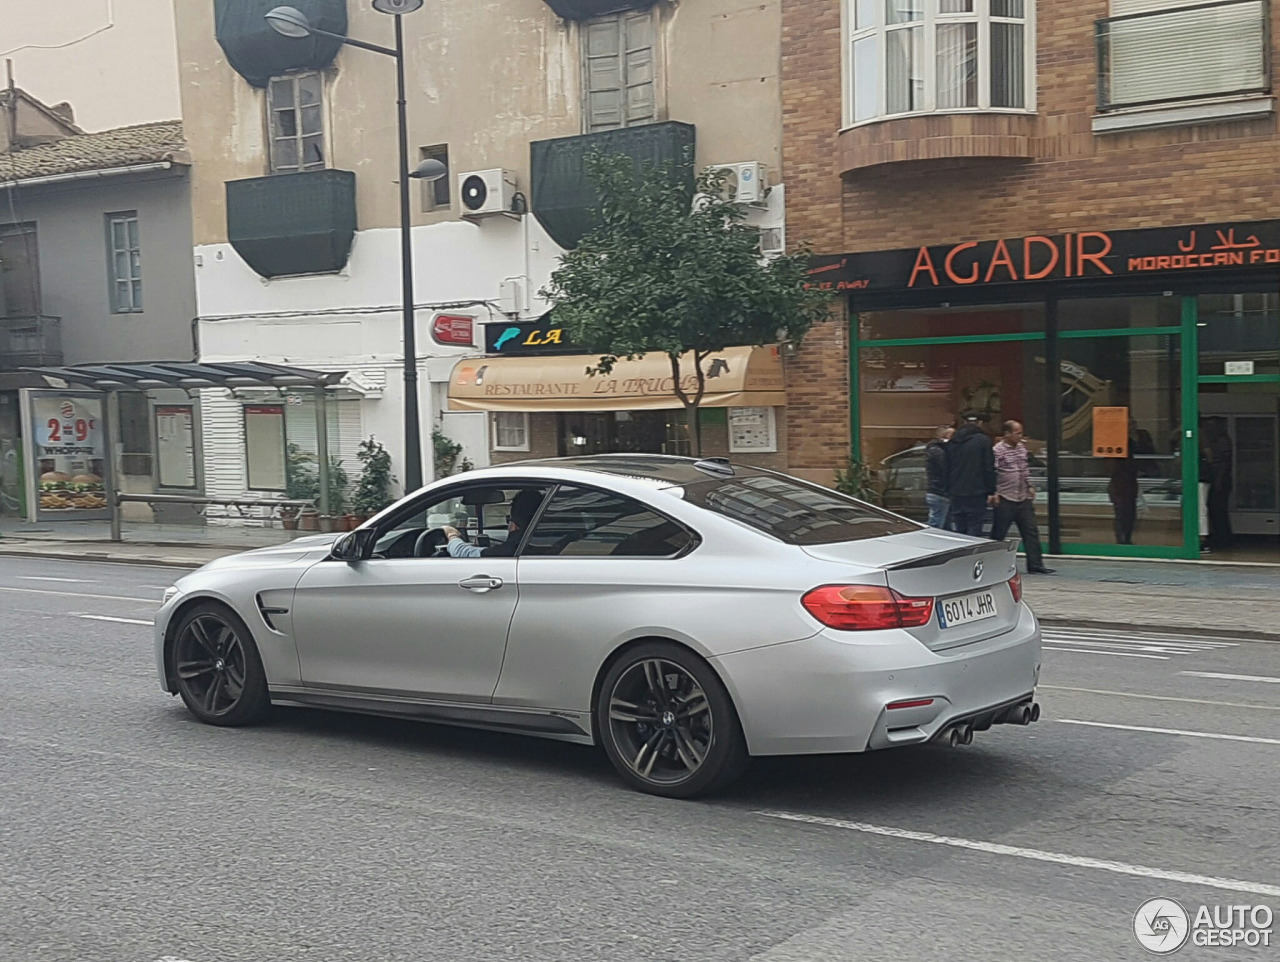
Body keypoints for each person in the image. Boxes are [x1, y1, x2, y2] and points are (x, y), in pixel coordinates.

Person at [991, 419, 1053, 574]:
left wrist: (1030, 485)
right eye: (1017, 433)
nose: (1020, 436)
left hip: (1022, 496)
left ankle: (1036, 564)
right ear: (1007, 434)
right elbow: (993, 472)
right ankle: (991, 564)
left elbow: (1025, 469)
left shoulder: (1021, 449)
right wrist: (994, 492)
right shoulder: (997, 450)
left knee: (1031, 531)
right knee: (999, 534)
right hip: (1005, 496)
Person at [443, 489, 544, 558]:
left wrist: (452, 535)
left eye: (509, 519)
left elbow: (465, 554)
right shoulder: (546, 545)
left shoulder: (512, 549)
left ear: (515, 525)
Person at [1107, 418, 1156, 545]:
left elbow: (1149, 452)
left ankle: (1127, 538)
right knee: (1121, 512)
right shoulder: (1118, 440)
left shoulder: (1142, 436)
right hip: (1120, 481)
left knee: (1130, 513)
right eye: (1128, 424)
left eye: (1133, 423)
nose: (1131, 426)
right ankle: (1122, 540)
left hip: (1133, 479)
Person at [946, 413, 995, 537]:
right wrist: (991, 490)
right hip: (976, 491)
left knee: (960, 527)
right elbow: (988, 467)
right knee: (975, 525)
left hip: (956, 491)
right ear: (980, 423)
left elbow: (947, 466)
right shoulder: (983, 440)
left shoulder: (953, 441)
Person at [1205, 418, 1234, 550]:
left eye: (1212, 426)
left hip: (1220, 480)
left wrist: (1218, 481)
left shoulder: (1222, 441)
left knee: (1219, 511)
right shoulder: (1216, 440)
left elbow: (1224, 463)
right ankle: (1219, 537)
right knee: (1214, 510)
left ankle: (1223, 539)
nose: (1209, 429)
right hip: (1217, 479)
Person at [924, 425, 953, 529]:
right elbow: (945, 469)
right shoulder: (939, 451)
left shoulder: (936, 449)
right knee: (937, 522)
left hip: (938, 491)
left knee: (944, 523)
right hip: (939, 491)